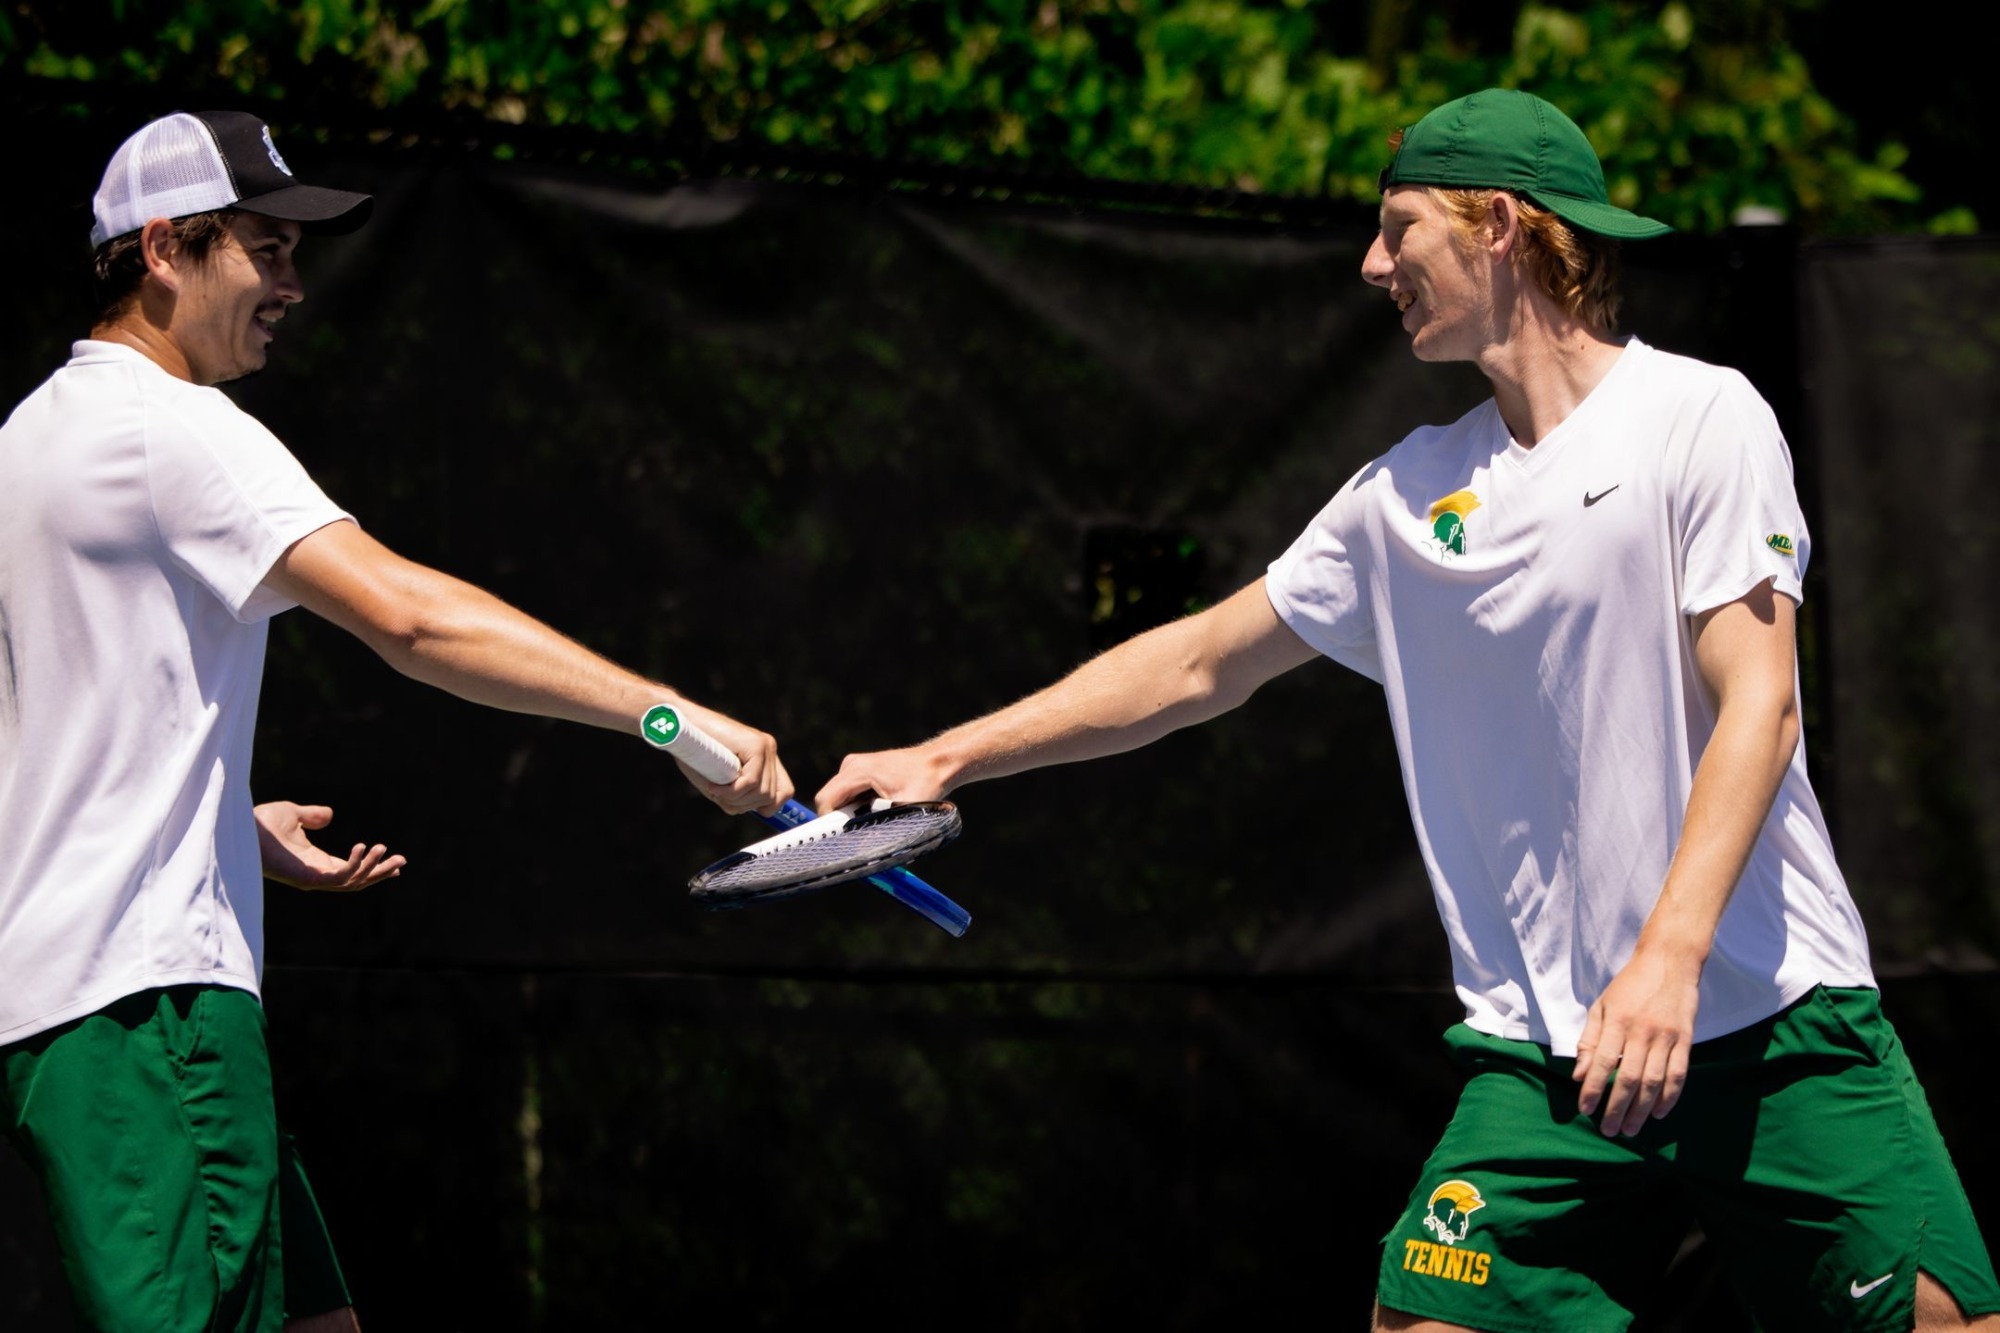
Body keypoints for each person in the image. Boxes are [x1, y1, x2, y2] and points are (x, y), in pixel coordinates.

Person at [815, 89, 2000, 1332]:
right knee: (1428, 1321)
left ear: (1496, 225)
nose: (1371, 264)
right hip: (1552, 1062)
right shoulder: (1402, 499)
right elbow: (1193, 664)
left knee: (1934, 1322)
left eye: (1397, 228)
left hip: (1772, 1023)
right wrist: (941, 755)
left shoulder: (1700, 418)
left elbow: (1758, 705)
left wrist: (1666, 958)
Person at [0, 110, 791, 1332]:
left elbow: (49, 729)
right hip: (148, 1011)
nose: (293, 286)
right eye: (264, 248)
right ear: (164, 249)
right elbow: (413, 621)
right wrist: (674, 722)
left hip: (92, 1010)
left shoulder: (32, 435)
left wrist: (218, 820)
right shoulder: (177, 429)